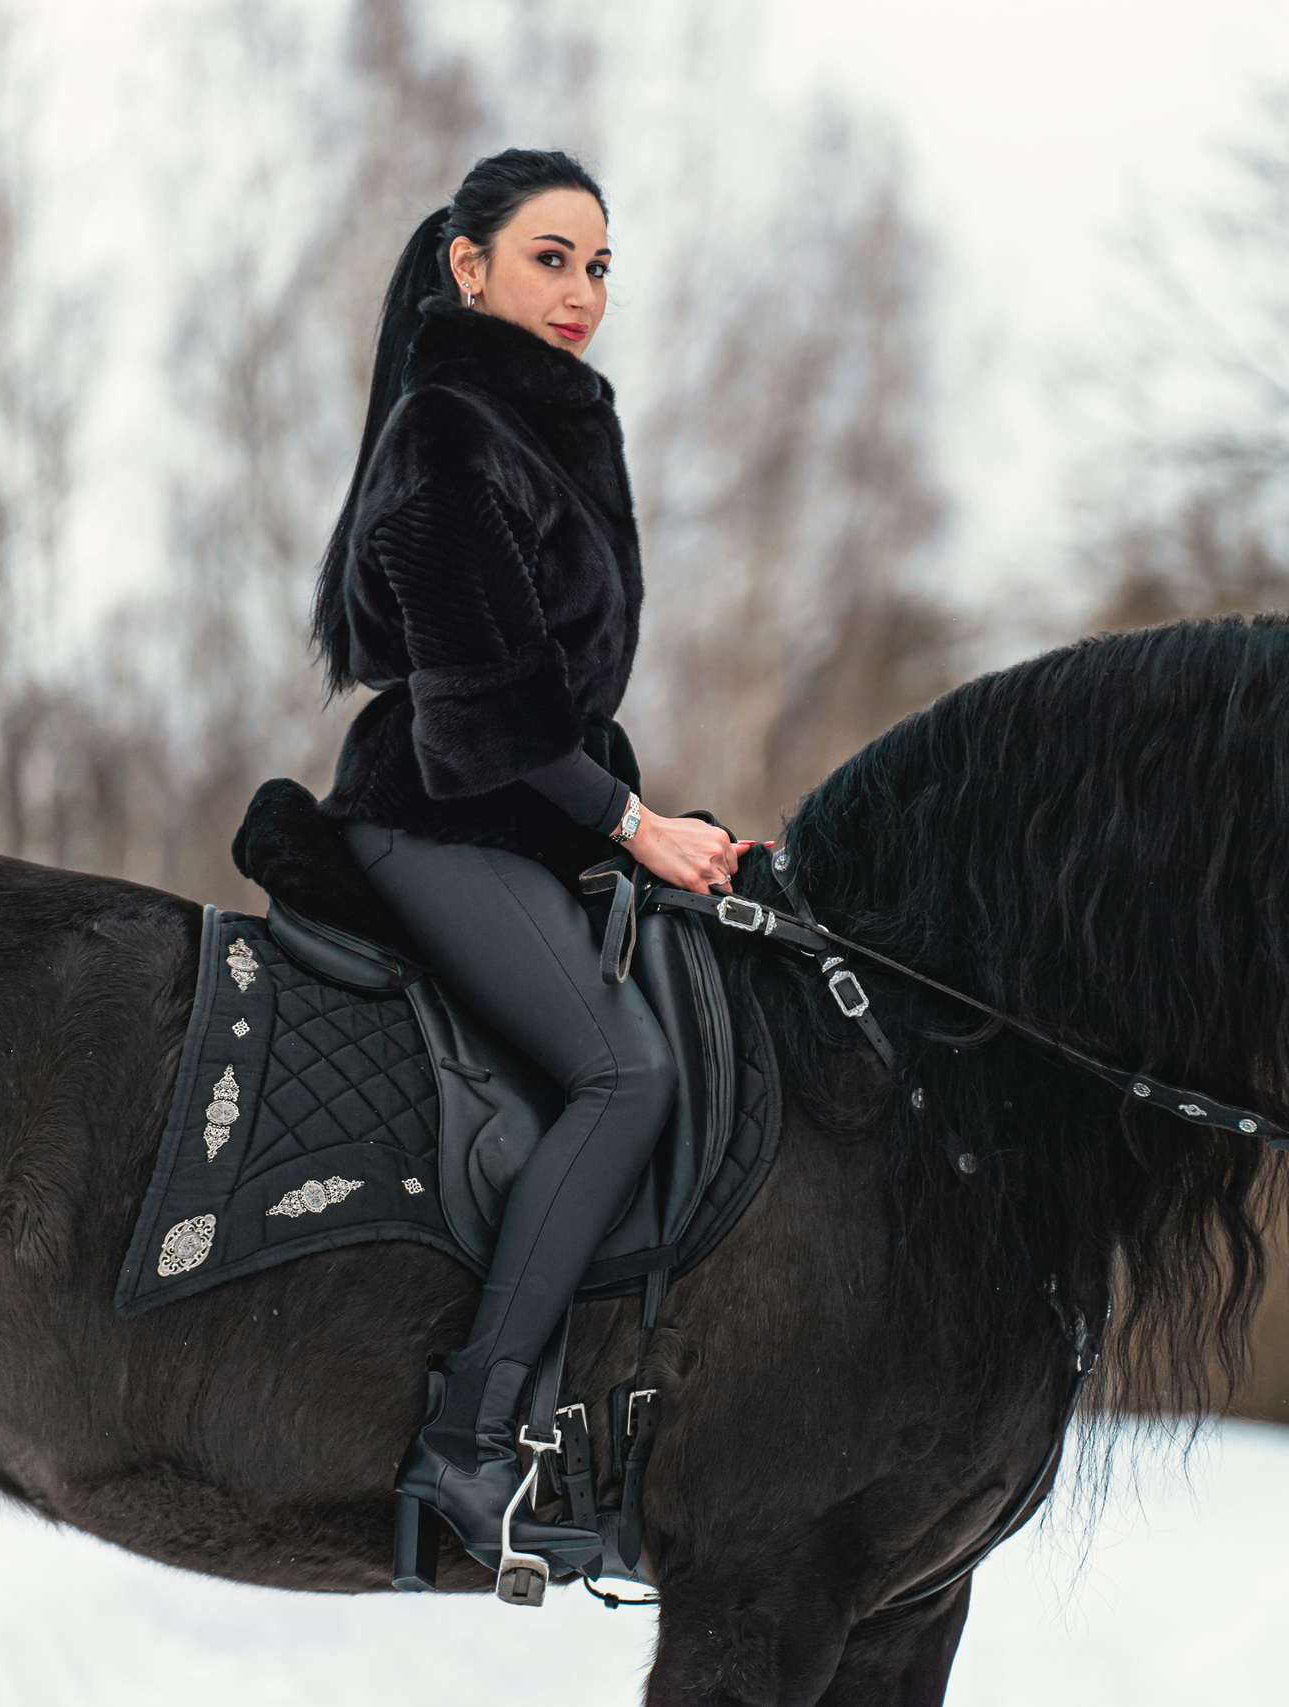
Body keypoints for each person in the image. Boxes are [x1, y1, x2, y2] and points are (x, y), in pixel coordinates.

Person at [310, 149, 738, 1579]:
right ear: (469, 265)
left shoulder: (552, 426)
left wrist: (651, 823)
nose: (582, 290)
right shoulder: (448, 428)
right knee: (631, 1072)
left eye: (602, 265)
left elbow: (555, 710)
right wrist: (636, 827)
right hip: (434, 814)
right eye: (551, 257)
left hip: (519, 813)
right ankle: (468, 1441)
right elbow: (491, 710)